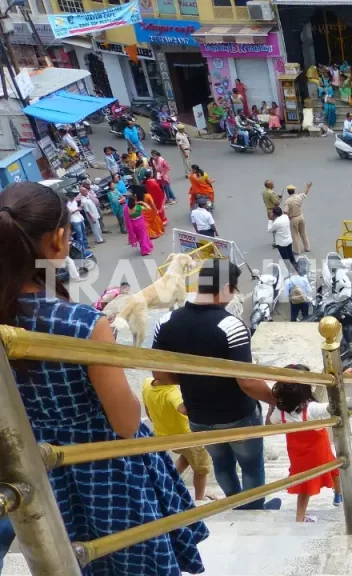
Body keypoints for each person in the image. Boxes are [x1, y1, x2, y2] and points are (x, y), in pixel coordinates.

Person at [0, 181, 208, 574]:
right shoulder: (81, 324)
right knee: (130, 559)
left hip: (36, 467)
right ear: (59, 240)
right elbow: (127, 423)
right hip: (104, 469)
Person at [152, 260, 283, 512]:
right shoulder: (231, 326)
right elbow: (247, 382)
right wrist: (275, 401)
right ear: (224, 287)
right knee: (251, 464)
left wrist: (193, 379)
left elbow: (161, 374)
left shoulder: (166, 322)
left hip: (198, 415)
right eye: (233, 289)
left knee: (221, 464)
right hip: (237, 415)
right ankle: (254, 510)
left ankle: (236, 505)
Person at [267, 366, 344, 523]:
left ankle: (301, 515)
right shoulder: (312, 409)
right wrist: (340, 383)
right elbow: (333, 408)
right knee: (334, 468)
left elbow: (269, 424)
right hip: (319, 450)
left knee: (304, 486)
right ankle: (337, 495)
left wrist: (271, 406)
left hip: (298, 456)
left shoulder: (279, 413)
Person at [142, 377, 213, 502]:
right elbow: (183, 409)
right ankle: (199, 500)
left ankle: (163, 484)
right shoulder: (171, 392)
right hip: (188, 436)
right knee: (201, 469)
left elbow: (148, 411)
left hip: (166, 435)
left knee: (186, 459)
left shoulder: (147, 384)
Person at [283, 182, 313, 255]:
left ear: (288, 192)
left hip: (293, 218)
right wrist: (308, 187)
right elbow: (305, 193)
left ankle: (297, 250)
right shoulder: (298, 197)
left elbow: (285, 211)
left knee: (295, 235)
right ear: (294, 191)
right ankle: (307, 247)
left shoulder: (288, 201)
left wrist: (288, 217)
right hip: (301, 216)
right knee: (303, 233)